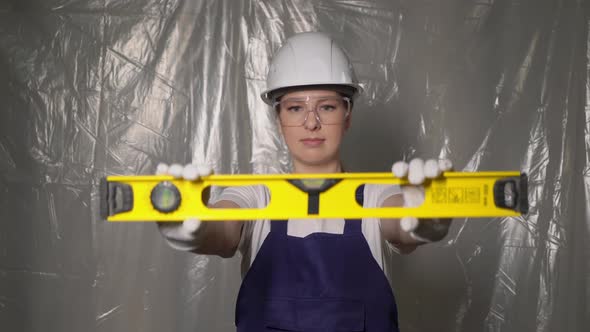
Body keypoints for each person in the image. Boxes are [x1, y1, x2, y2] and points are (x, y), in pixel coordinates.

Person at [157, 32, 452, 332]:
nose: (311, 122)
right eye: (295, 107)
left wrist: (421, 215)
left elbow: (401, 221)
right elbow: (222, 229)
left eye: (327, 106)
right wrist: (197, 227)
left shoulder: (376, 195)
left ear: (348, 116)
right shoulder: (258, 196)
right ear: (278, 118)